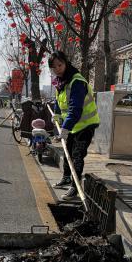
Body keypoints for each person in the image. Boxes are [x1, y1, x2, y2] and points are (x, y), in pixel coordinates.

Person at [49, 50, 100, 201]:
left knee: (77, 155)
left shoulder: (76, 81)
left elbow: (75, 109)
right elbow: (60, 104)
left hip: (85, 125)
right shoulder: (60, 82)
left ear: (66, 63)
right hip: (72, 125)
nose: (57, 69)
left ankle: (75, 187)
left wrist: (65, 128)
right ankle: (66, 177)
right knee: (67, 152)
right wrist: (57, 116)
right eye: (54, 67)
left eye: (60, 65)